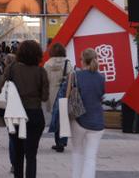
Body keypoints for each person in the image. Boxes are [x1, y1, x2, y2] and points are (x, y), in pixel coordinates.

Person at [0, 40, 48, 178]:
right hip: (35, 114)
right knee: (31, 155)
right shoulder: (41, 71)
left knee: (18, 152)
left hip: (15, 114)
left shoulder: (12, 68)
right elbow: (45, 97)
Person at [70, 48, 106, 178]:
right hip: (97, 121)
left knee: (77, 152)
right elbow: (101, 95)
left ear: (83, 61)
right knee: (91, 157)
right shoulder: (101, 77)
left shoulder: (76, 76)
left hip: (79, 119)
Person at [43, 42, 72, 152]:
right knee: (63, 117)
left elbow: (45, 81)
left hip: (52, 93)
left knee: (56, 117)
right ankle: (62, 142)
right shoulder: (67, 64)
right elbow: (71, 78)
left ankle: (57, 141)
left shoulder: (47, 64)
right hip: (64, 93)